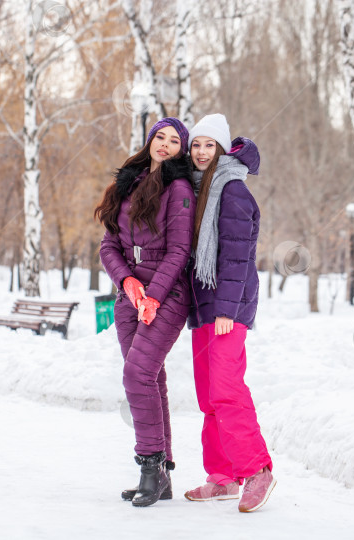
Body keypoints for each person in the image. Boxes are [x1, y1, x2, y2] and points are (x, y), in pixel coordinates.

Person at [95, 118, 195, 507]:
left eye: (175, 141)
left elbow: (178, 251)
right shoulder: (129, 180)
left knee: (136, 375)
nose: (165, 144)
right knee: (152, 379)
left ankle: (149, 467)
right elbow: (108, 246)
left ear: (180, 149)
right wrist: (128, 284)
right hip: (129, 298)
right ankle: (164, 475)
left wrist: (153, 295)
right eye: (160, 137)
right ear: (150, 141)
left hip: (166, 296)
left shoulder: (179, 189)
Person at [183, 114, 275, 513]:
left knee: (227, 390)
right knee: (208, 397)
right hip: (204, 307)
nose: (202, 152)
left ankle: (258, 471)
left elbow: (238, 256)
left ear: (221, 149)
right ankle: (222, 478)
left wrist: (225, 310)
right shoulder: (201, 189)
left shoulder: (232, 189)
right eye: (197, 145)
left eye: (209, 145)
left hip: (226, 309)